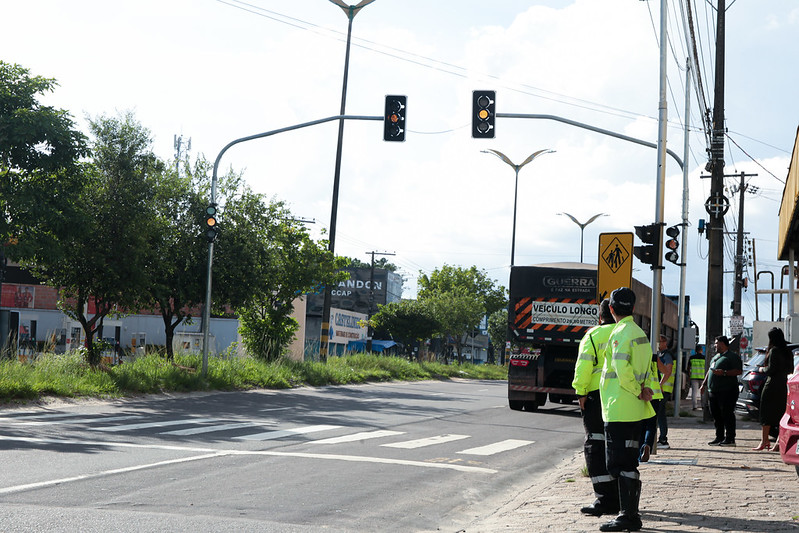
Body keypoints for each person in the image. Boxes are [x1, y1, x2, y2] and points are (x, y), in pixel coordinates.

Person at [597, 287, 655, 533]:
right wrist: (647, 390)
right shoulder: (640, 333)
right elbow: (649, 369)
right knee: (629, 461)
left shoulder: (619, 333)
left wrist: (635, 389)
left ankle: (628, 515)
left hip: (619, 407)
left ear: (611, 309)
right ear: (633, 308)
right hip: (636, 410)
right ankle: (629, 515)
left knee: (618, 464)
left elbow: (622, 370)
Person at [573, 299, 618, 517]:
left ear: (601, 316)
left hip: (596, 397)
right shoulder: (629, 333)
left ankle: (605, 499)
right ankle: (623, 499)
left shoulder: (593, 335)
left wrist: (581, 392)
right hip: (624, 398)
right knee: (620, 445)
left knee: (596, 445)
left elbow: (583, 366)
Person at [752, 327, 792, 451]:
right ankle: (779, 442)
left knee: (766, 413)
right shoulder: (788, 351)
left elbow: (770, 369)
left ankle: (764, 441)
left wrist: (761, 369)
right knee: (781, 414)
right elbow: (790, 369)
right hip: (783, 385)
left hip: (772, 385)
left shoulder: (774, 351)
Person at [700, 335, 743, 446]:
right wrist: (704, 384)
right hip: (713, 391)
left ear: (723, 344)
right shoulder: (715, 357)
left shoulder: (732, 356)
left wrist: (724, 373)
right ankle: (719, 437)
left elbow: (738, 371)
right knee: (716, 415)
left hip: (727, 390)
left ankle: (730, 438)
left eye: (716, 343)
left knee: (727, 414)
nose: (715, 345)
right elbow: (710, 371)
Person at [638, 351, 663, 462]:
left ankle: (640, 452)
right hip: (655, 394)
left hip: (642, 394)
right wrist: (661, 383)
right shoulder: (654, 357)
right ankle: (647, 444)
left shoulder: (638, 356)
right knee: (651, 424)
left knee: (641, 425)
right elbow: (666, 371)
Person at [655, 335, 674, 449]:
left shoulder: (667, 355)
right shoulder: (661, 355)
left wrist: (660, 384)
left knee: (658, 413)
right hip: (662, 388)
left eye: (660, 342)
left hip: (664, 389)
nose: (658, 344)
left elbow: (668, 371)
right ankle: (662, 439)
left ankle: (662, 439)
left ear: (665, 343)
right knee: (661, 414)